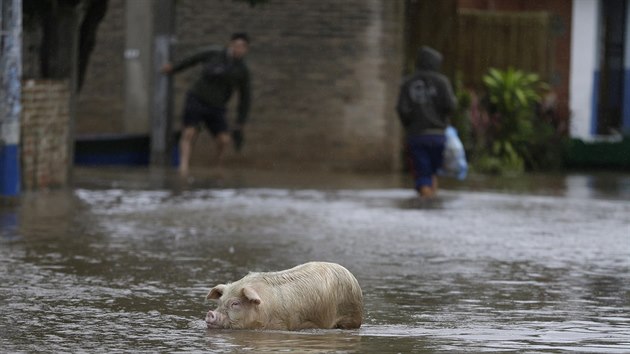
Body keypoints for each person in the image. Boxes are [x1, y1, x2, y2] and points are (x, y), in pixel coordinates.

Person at [161, 32, 251, 175]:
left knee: (224, 139)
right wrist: (174, 68)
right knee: (189, 132)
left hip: (217, 106)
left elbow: (245, 96)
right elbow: (192, 59)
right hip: (197, 99)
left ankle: (218, 166)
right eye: (237, 45)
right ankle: (183, 166)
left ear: (246, 49)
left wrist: (241, 120)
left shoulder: (242, 70)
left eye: (242, 47)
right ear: (231, 44)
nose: (239, 49)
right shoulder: (214, 53)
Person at [396, 46, 457, 198]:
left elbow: (401, 109)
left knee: (422, 175)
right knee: (433, 173)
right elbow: (451, 105)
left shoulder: (407, 82)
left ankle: (426, 208)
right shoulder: (442, 82)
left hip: (417, 136)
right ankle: (433, 204)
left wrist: (409, 125)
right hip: (438, 136)